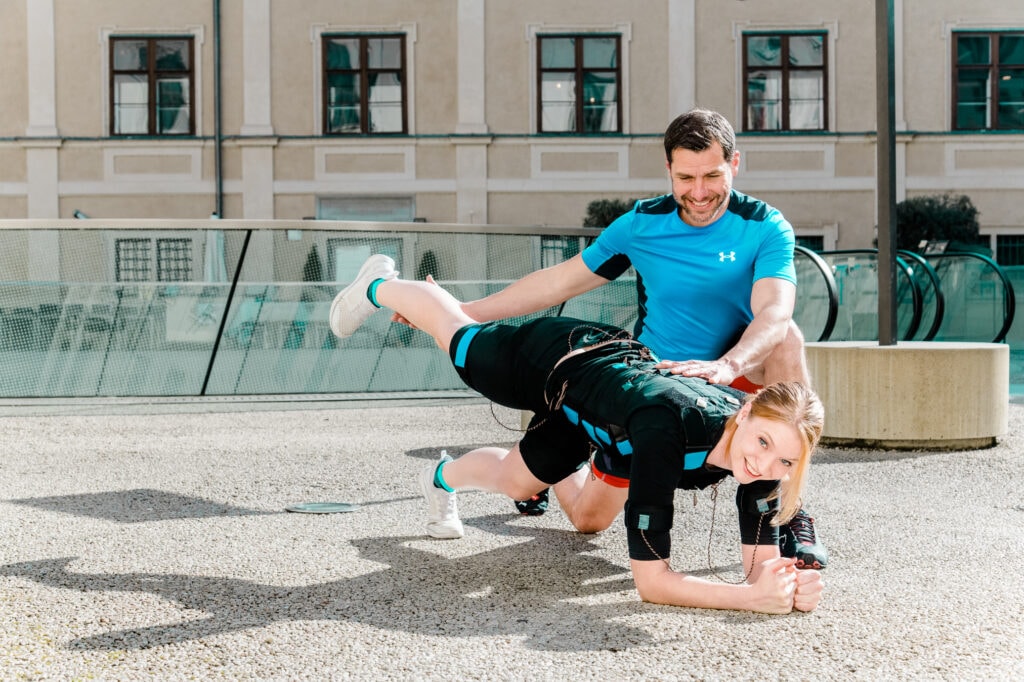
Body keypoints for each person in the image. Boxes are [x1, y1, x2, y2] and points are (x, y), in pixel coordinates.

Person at [396, 107, 826, 569]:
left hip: (727, 376)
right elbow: (558, 283)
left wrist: (728, 366)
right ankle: (563, 438)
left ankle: (791, 513)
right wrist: (459, 312)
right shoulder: (642, 225)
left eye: (712, 176)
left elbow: (775, 311)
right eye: (686, 177)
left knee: (787, 338)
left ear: (734, 164)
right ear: (669, 170)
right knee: (586, 521)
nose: (699, 192)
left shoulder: (764, 226)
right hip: (650, 391)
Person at [329, 253, 825, 614]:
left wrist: (786, 586)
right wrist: (748, 598)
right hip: (560, 361)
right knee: (457, 335)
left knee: (518, 481)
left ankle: (439, 478)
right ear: (749, 410)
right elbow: (652, 583)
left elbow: (760, 564)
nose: (766, 466)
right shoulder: (667, 433)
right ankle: (380, 284)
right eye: (763, 444)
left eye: (785, 461)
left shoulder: (768, 453)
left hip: (600, 416)